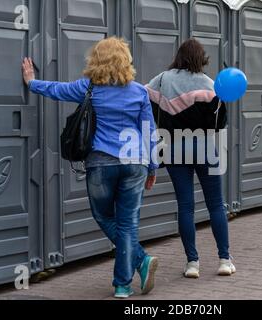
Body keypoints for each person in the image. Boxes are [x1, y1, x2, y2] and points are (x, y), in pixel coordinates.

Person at [21, 37, 159, 299]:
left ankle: (137, 266)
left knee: (104, 217)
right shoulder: (139, 92)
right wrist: (152, 167)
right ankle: (124, 282)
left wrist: (31, 82)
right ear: (126, 60)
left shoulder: (88, 88)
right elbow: (149, 131)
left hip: (101, 164)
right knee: (128, 224)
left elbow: (56, 89)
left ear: (96, 60)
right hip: (135, 164)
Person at [146, 38, 235, 278]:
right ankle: (224, 260)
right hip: (205, 148)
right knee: (216, 204)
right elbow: (220, 124)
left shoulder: (163, 79)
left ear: (179, 56)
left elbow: (144, 97)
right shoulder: (210, 85)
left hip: (174, 148)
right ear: (201, 59)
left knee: (185, 207)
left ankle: (192, 263)